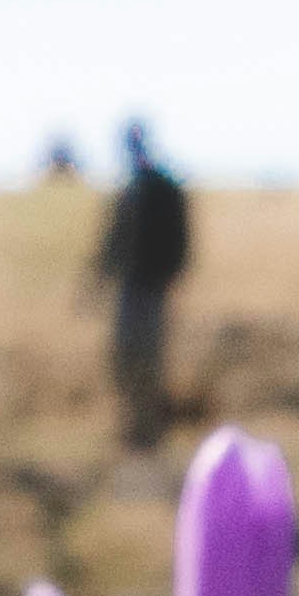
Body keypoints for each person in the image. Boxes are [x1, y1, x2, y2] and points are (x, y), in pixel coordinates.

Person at [93, 120, 193, 446]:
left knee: (148, 358)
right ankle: (132, 425)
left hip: (152, 288)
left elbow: (180, 238)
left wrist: (172, 273)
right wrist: (97, 279)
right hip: (128, 287)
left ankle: (149, 431)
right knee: (124, 357)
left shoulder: (164, 189)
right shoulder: (128, 192)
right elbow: (112, 241)